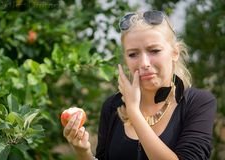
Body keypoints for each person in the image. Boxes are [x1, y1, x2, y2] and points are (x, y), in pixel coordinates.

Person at [63, 10, 217, 160]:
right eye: (133, 54)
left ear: (175, 53)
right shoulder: (112, 106)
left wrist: (134, 112)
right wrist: (83, 153)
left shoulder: (198, 103)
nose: (144, 63)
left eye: (154, 50)